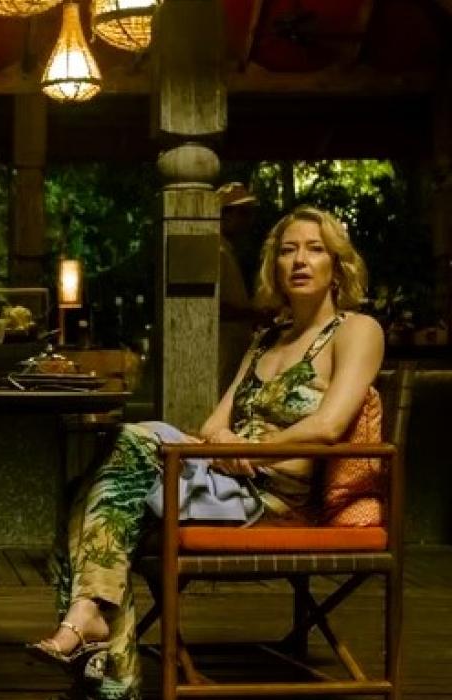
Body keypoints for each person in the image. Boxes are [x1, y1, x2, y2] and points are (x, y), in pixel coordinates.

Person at [26, 206, 384, 699]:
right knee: (91, 493)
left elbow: (327, 427)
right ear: (274, 266)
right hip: (221, 481)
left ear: (337, 264)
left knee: (116, 461)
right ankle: (97, 637)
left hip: (275, 501)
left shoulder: (356, 330)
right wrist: (222, 445)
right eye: (288, 249)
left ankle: (100, 651)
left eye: (315, 248)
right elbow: (215, 423)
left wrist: (251, 449)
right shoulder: (265, 341)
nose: (300, 260)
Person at [217, 182, 267, 390]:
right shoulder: (216, 251)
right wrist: (257, 313)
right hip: (222, 350)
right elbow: (214, 306)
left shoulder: (226, 250)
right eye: (243, 213)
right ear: (225, 215)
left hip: (234, 348)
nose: (249, 221)